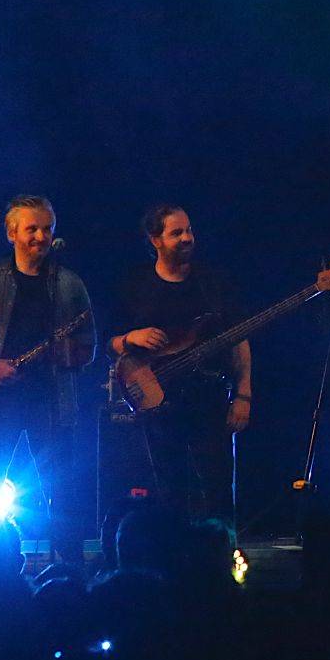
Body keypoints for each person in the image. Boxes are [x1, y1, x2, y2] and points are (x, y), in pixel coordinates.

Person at [0, 195, 97, 567]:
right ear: (11, 233)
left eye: (47, 229)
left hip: (52, 401)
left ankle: (69, 571)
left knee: (62, 492)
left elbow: (88, 347)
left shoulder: (69, 283)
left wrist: (65, 354)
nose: (41, 237)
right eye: (32, 229)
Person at [108, 205, 251, 524]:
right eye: (176, 233)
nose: (187, 238)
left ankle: (222, 550)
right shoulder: (135, 285)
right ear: (155, 239)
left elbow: (239, 339)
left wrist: (243, 395)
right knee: (168, 490)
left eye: (189, 230)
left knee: (218, 487)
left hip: (209, 400)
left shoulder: (212, 283)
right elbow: (108, 343)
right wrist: (131, 337)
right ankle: (172, 550)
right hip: (158, 405)